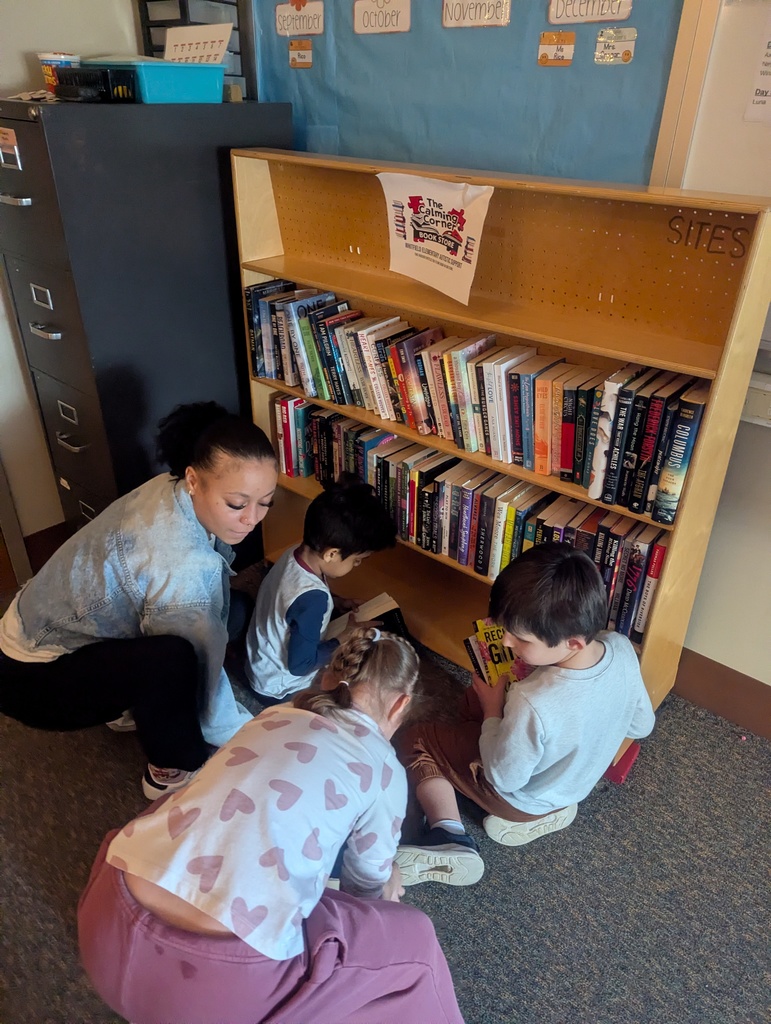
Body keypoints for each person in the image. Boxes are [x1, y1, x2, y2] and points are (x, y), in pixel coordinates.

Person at [77, 627, 464, 1024]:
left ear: (327, 676)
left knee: (178, 808)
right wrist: (390, 883)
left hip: (104, 919)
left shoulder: (273, 715)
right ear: (400, 705)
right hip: (209, 989)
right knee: (414, 936)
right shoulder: (384, 769)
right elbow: (362, 889)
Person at [0, 402, 278, 799]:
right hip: (30, 677)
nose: (252, 518)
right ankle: (169, 770)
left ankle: (128, 697)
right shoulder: (180, 566)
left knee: (230, 611)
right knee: (174, 662)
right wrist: (262, 738)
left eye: (265, 501)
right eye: (237, 504)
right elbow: (209, 690)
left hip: (38, 623)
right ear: (195, 480)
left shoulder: (169, 485)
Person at [395, 542, 656, 886]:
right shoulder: (621, 648)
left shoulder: (535, 701)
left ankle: (449, 834)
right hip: (572, 787)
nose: (505, 642)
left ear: (573, 642)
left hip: (518, 796)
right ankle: (546, 812)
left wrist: (493, 709)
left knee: (417, 738)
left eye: (520, 638)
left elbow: (504, 778)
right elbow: (642, 724)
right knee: (476, 708)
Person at [245, 476, 397, 703]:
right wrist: (342, 640)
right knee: (351, 691)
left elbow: (291, 602)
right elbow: (300, 666)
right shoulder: (313, 599)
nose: (358, 565)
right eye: (357, 560)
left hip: (259, 661)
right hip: (279, 687)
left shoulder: (293, 553)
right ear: (332, 554)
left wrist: (337, 602)